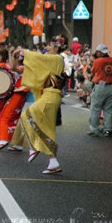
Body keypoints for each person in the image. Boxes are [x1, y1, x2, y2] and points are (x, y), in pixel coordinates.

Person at [10, 36, 68, 174]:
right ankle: (53, 161)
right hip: (50, 96)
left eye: (49, 46)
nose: (46, 48)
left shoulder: (57, 59)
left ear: (56, 47)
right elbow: (36, 67)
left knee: (27, 115)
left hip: (50, 96)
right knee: (48, 129)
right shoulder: (51, 62)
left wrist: (22, 51)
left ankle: (34, 146)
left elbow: (39, 59)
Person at [88, 44, 112, 137]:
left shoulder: (97, 61)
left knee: (95, 108)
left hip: (100, 86)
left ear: (99, 52)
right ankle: (108, 129)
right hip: (111, 87)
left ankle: (94, 129)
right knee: (108, 109)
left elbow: (93, 71)